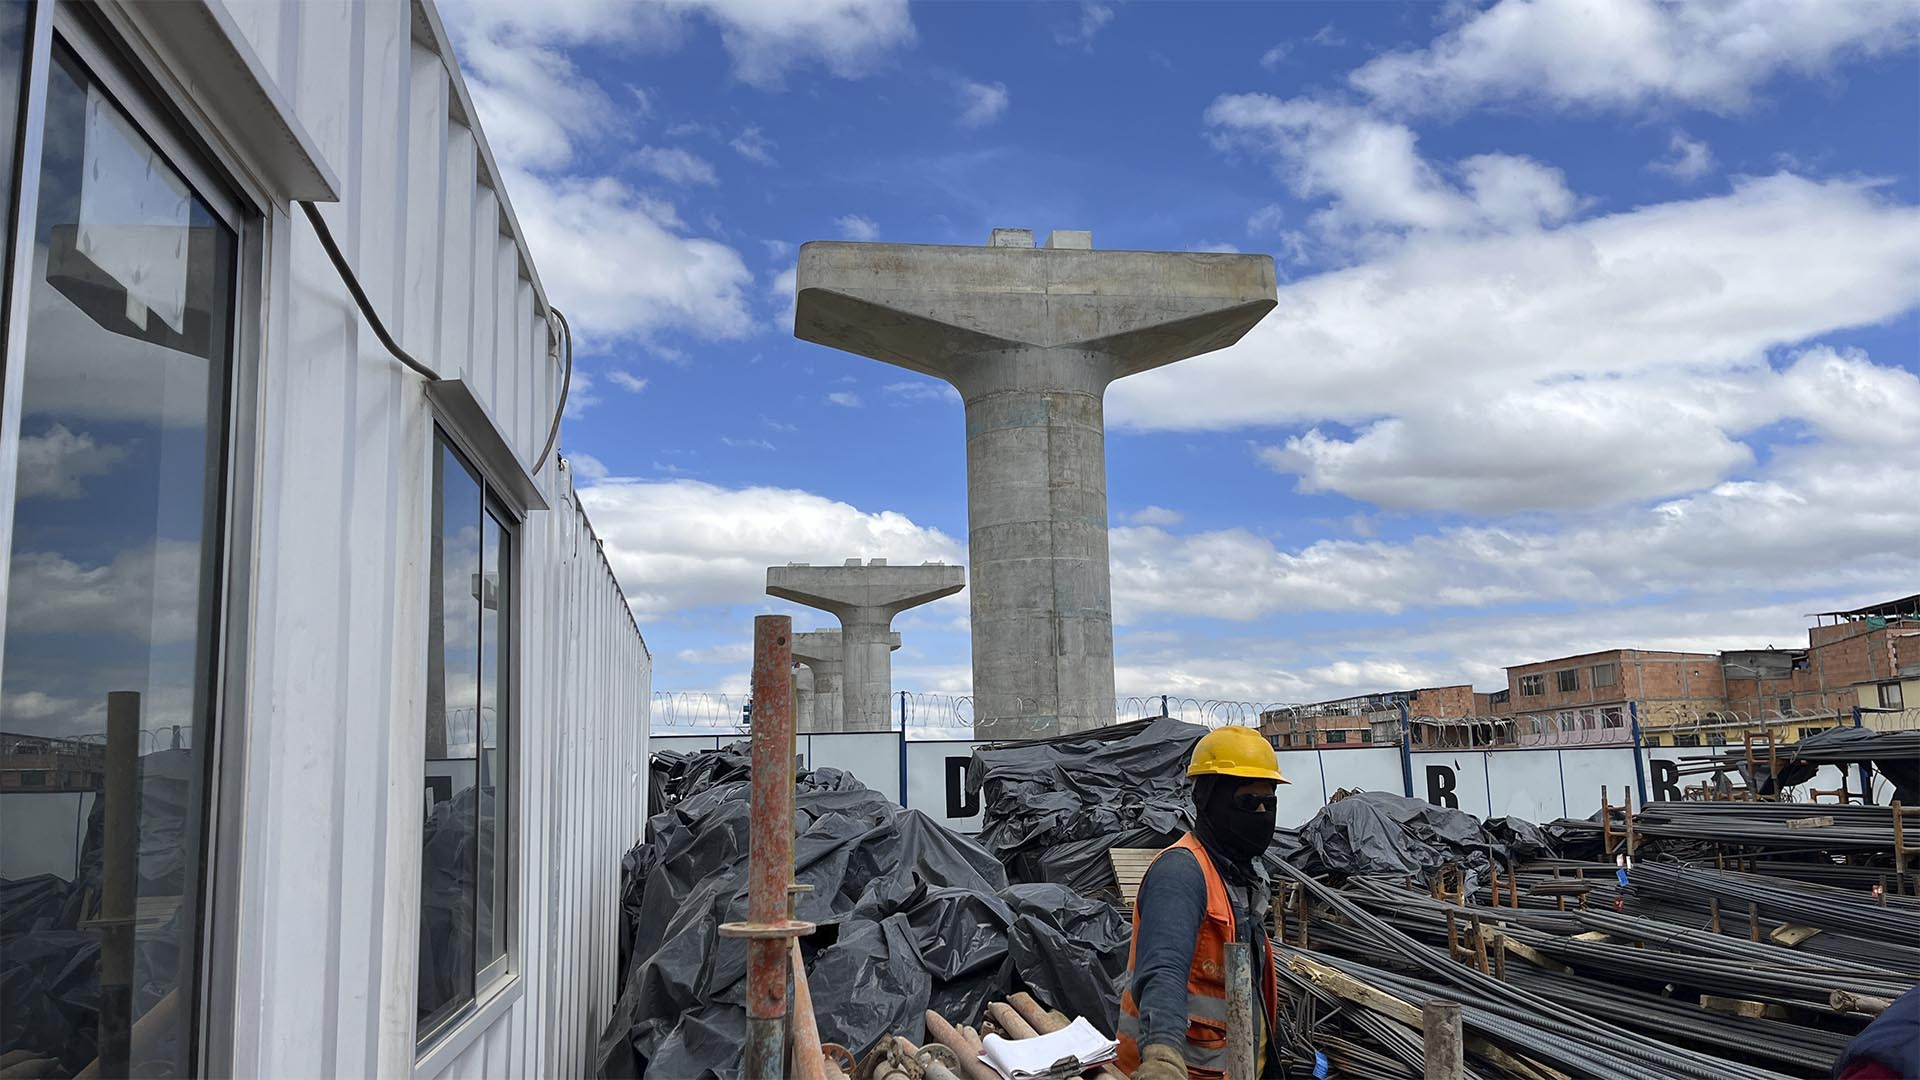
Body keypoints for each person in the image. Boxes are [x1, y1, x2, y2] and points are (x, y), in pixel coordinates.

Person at [1116, 726, 1287, 1079]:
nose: (1260, 811)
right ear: (1209, 799)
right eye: (1246, 801)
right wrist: (1162, 1058)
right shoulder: (1181, 873)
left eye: (1267, 802)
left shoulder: (1243, 876)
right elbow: (1164, 970)